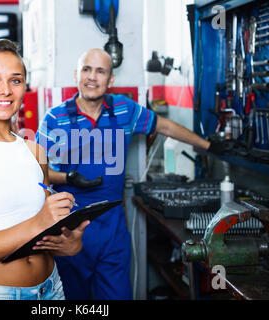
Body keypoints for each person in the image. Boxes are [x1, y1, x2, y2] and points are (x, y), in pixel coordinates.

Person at [35, 48, 226, 300]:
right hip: (68, 229)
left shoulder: (125, 111)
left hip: (113, 230)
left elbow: (165, 125)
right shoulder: (55, 118)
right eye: (86, 69)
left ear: (110, 80)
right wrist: (68, 178)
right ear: (76, 74)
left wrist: (209, 146)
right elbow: (39, 171)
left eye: (100, 71)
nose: (92, 77)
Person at [0, 39, 90, 300]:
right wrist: (38, 222)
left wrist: (68, 244)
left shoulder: (35, 151)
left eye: (16, 80)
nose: (6, 90)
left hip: (51, 287)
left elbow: (43, 232)